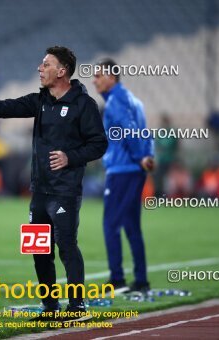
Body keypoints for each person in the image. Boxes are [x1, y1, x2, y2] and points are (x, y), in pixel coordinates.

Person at [0, 46, 107, 322]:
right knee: (39, 250)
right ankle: (50, 307)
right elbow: (7, 107)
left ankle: (77, 307)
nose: (40, 68)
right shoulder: (41, 100)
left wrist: (70, 157)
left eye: (46, 64)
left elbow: (99, 144)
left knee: (67, 246)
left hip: (65, 191)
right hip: (39, 190)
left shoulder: (83, 105)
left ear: (61, 71)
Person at [93, 59, 154, 293]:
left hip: (122, 171)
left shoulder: (116, 102)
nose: (94, 79)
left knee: (110, 224)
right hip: (134, 171)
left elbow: (129, 130)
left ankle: (117, 278)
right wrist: (147, 156)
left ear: (111, 77)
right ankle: (141, 279)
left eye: (98, 75)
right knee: (132, 227)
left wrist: (140, 156)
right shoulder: (134, 101)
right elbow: (144, 131)